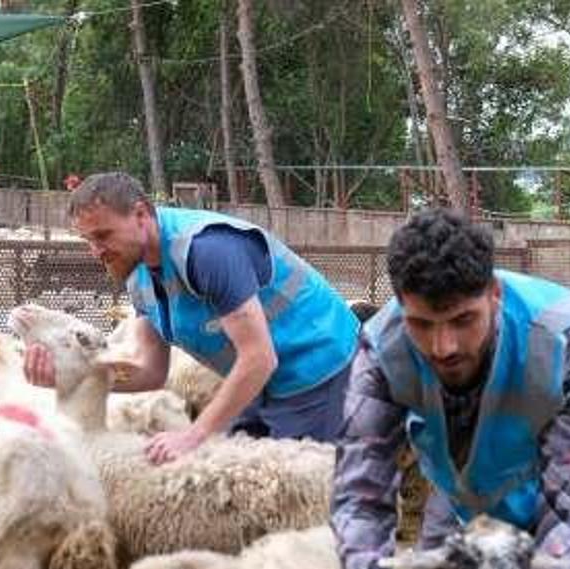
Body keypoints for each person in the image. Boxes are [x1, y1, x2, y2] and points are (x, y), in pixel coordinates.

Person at [331, 208, 570, 569]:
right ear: (400, 305)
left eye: (462, 320)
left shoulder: (556, 342)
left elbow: (569, 508)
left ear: (494, 294)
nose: (443, 347)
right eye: (421, 324)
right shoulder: (381, 349)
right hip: (467, 472)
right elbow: (360, 487)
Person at [22, 172, 359, 464]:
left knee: (298, 495)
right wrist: (72, 377)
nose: (96, 252)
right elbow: (151, 371)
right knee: (234, 477)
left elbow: (260, 357)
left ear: (141, 214)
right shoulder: (136, 274)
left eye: (103, 235)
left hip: (321, 370)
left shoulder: (208, 251)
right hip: (262, 381)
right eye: (87, 240)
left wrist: (194, 434)